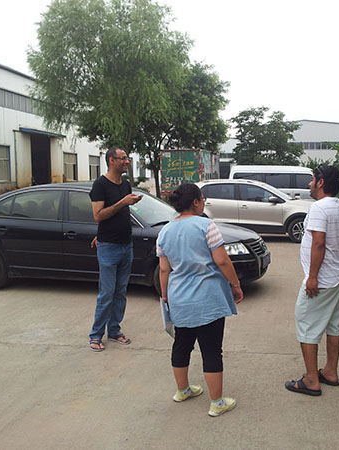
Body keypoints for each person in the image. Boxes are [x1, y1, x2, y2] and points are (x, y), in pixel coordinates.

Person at [156, 183, 244, 417]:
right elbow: (222, 260)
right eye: (202, 199)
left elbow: (164, 269)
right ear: (195, 202)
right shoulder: (207, 226)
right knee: (211, 349)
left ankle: (183, 390)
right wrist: (235, 284)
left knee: (181, 344)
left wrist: (165, 296)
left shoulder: (165, 231)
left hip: (179, 298)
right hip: (208, 299)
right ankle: (217, 403)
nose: (204, 202)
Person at [285, 165, 339, 396]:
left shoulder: (319, 208)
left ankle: (311, 380)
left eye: (312, 179)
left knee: (306, 324)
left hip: (322, 280)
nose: (309, 184)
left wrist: (312, 277)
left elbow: (319, 243)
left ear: (321, 182)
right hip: (338, 277)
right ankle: (330, 372)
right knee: (333, 324)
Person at [88, 147, 142, 352]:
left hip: (126, 245)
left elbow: (117, 215)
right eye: (123, 158)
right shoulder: (100, 184)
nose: (127, 162)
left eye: (127, 158)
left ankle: (114, 330)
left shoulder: (125, 184)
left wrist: (127, 203)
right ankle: (95, 335)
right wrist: (123, 202)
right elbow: (98, 215)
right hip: (109, 247)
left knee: (120, 292)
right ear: (111, 160)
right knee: (107, 293)